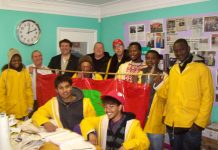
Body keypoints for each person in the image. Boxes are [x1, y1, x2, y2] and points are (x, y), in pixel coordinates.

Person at [156, 38, 214, 150]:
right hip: (173, 123)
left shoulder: (202, 69)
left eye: (182, 49)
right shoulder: (173, 69)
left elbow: (208, 98)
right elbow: (168, 95)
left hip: (192, 125)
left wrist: (199, 123)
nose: (179, 53)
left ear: (188, 49)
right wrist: (165, 114)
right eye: (176, 51)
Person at [80, 90, 150, 150]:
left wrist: (126, 146)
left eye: (111, 106)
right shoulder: (102, 120)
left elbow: (145, 141)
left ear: (120, 107)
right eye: (105, 107)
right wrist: (90, 133)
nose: (107, 110)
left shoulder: (133, 124)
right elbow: (85, 121)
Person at [32, 75, 96, 134]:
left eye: (67, 86)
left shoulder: (86, 103)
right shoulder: (53, 103)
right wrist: (46, 123)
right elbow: (37, 114)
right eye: (61, 88)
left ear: (71, 86)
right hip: (63, 138)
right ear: (56, 90)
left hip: (82, 137)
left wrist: (89, 133)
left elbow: (92, 122)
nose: (65, 90)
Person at [138, 50, 167, 150]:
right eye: (148, 58)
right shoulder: (141, 74)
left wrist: (159, 84)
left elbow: (166, 96)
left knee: (156, 147)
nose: (150, 60)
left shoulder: (164, 75)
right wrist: (133, 84)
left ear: (158, 60)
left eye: (153, 58)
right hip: (141, 118)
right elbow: (136, 95)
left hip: (156, 119)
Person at [0, 48, 34, 119]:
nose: (17, 62)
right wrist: (2, 110)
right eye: (14, 60)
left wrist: (30, 105)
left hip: (24, 111)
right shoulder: (4, 74)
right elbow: (1, 94)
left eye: (19, 60)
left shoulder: (25, 73)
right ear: (10, 61)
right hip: (10, 112)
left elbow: (29, 90)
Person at [27, 50, 52, 114]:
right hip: (31, 100)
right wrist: (29, 73)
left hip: (44, 100)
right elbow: (23, 84)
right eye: (35, 56)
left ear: (42, 57)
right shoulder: (26, 69)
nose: (38, 58)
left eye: (39, 56)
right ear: (32, 59)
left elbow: (50, 86)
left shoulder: (48, 70)